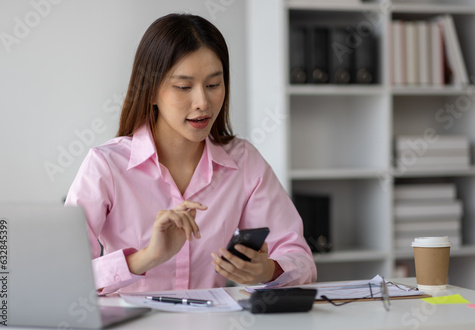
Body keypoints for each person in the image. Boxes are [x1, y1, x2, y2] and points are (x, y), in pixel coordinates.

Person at [65, 13, 316, 295]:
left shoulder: (244, 162)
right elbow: (65, 275)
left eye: (213, 85)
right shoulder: (106, 165)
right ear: (150, 91)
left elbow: (300, 258)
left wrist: (268, 270)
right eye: (183, 87)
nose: (202, 102)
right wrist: (147, 257)